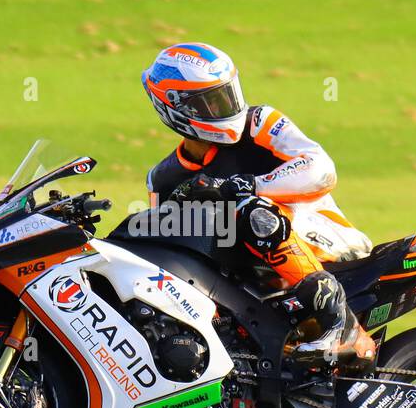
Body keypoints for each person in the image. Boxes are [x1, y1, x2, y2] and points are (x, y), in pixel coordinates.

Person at [141, 42, 376, 369]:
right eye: (212, 102)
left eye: (228, 95)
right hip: (252, 280)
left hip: (328, 242)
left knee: (249, 211)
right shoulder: (164, 180)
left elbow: (321, 170)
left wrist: (252, 185)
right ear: (175, 107)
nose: (226, 107)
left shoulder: (260, 122)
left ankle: (340, 322)